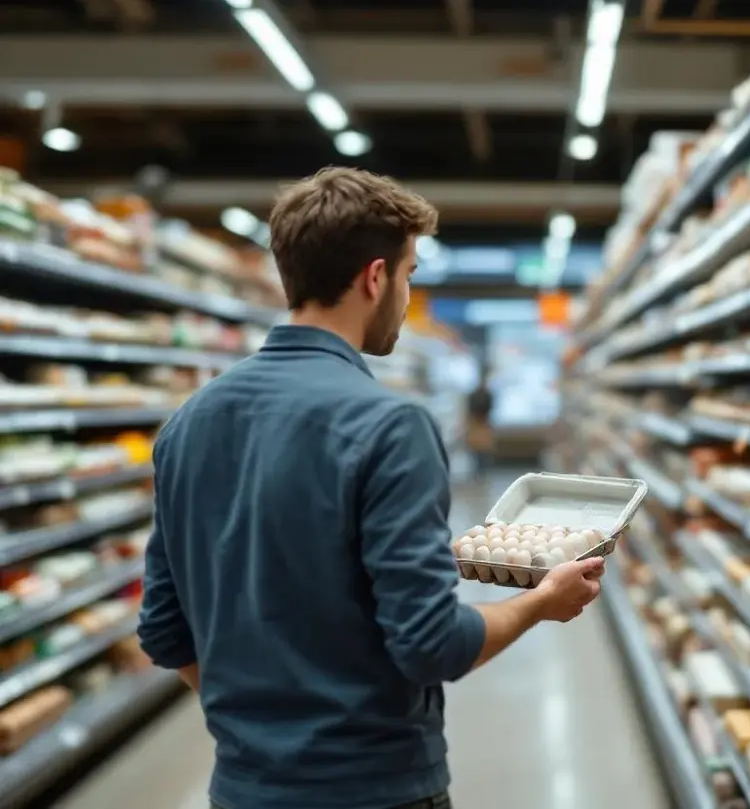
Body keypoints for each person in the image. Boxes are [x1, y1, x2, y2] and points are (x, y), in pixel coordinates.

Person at [137, 166, 605, 809]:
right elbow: (433, 645)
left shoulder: (188, 423)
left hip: (243, 788)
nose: (408, 299)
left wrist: (262, 732)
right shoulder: (389, 424)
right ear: (375, 277)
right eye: (409, 274)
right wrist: (541, 602)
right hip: (376, 788)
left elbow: (165, 631)